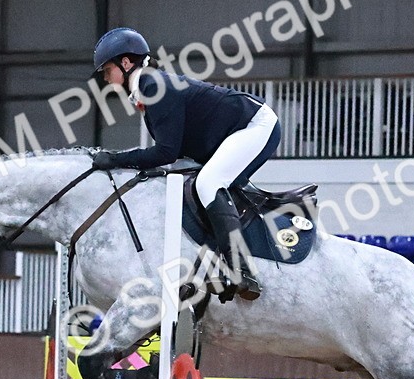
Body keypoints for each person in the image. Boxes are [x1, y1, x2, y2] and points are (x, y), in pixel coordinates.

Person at [89, 27, 280, 301]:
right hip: (238, 130)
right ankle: (219, 264)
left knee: (209, 183)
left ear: (126, 63)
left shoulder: (154, 85)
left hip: (256, 125)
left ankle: (242, 270)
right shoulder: (148, 87)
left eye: (107, 71)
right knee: (200, 188)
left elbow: (166, 152)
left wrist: (116, 159)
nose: (106, 79)